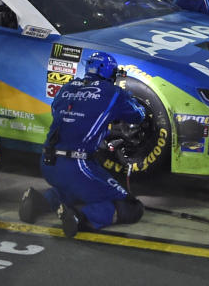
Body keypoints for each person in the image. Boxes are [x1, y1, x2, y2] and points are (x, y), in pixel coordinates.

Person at [18, 51, 146, 237]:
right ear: (110, 72)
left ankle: (42, 200)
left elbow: (63, 115)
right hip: (76, 165)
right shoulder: (113, 93)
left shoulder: (67, 87)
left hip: (48, 161)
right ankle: (80, 218)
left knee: (80, 192)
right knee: (132, 207)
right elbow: (138, 115)